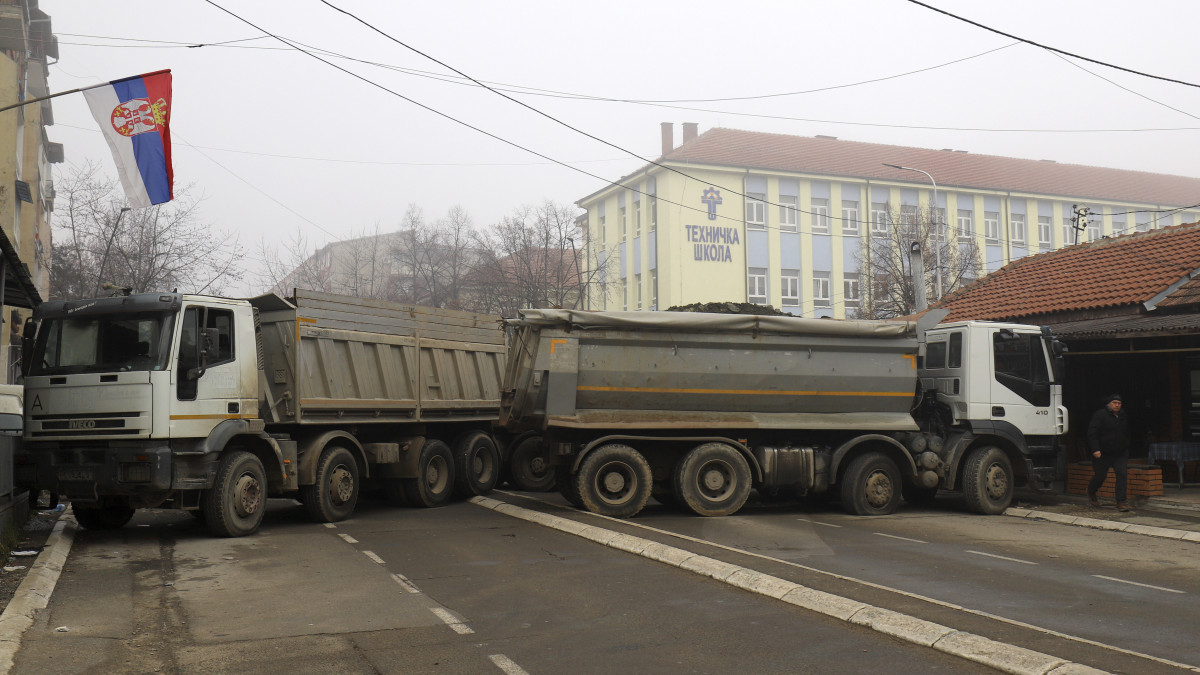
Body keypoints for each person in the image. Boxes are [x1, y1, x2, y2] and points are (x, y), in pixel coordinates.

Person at [1086, 393, 1132, 511]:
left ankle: (1121, 501)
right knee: (1100, 476)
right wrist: (1096, 449)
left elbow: (1126, 431)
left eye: (1119, 403)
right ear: (1109, 404)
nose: (1117, 405)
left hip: (1120, 452)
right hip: (1103, 452)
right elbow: (1092, 433)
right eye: (1114, 403)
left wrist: (1126, 445)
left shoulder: (1123, 415)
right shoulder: (1100, 415)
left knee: (1122, 474)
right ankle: (1092, 491)